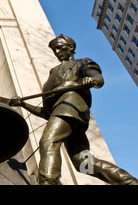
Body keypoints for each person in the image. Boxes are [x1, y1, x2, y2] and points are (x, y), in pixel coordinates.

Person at [9, 34, 138, 185]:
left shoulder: (82, 63)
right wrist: (22, 104)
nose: (56, 52)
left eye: (59, 47)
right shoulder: (53, 72)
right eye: (54, 49)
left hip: (71, 106)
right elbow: (46, 113)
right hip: (62, 113)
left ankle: (47, 182)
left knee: (48, 141)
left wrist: (92, 80)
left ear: (70, 47)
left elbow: (98, 79)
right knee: (83, 162)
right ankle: (129, 182)